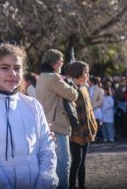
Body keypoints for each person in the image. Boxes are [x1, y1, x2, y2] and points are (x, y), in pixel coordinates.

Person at [0, 43, 58, 189]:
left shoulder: (33, 105)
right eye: (4, 68)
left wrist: (45, 183)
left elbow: (47, 149)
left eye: (17, 68)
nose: (12, 73)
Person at [36, 49, 79, 189]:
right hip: (58, 125)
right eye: (60, 60)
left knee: (52, 163)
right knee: (63, 162)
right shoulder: (53, 77)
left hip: (47, 124)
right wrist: (71, 83)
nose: (62, 63)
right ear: (54, 63)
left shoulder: (42, 76)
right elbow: (73, 95)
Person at [65, 61, 97, 189]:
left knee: (82, 162)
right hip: (74, 133)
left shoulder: (84, 88)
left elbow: (89, 110)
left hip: (86, 130)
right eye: (85, 73)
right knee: (76, 161)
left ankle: (82, 185)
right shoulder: (69, 89)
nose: (87, 76)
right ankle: (71, 186)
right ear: (77, 73)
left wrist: (93, 125)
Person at [88, 76, 104, 142]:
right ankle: (92, 138)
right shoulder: (86, 88)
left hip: (96, 110)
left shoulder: (99, 89)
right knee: (91, 125)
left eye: (89, 81)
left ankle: (99, 138)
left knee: (97, 125)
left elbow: (101, 101)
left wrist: (92, 106)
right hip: (89, 110)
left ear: (92, 82)